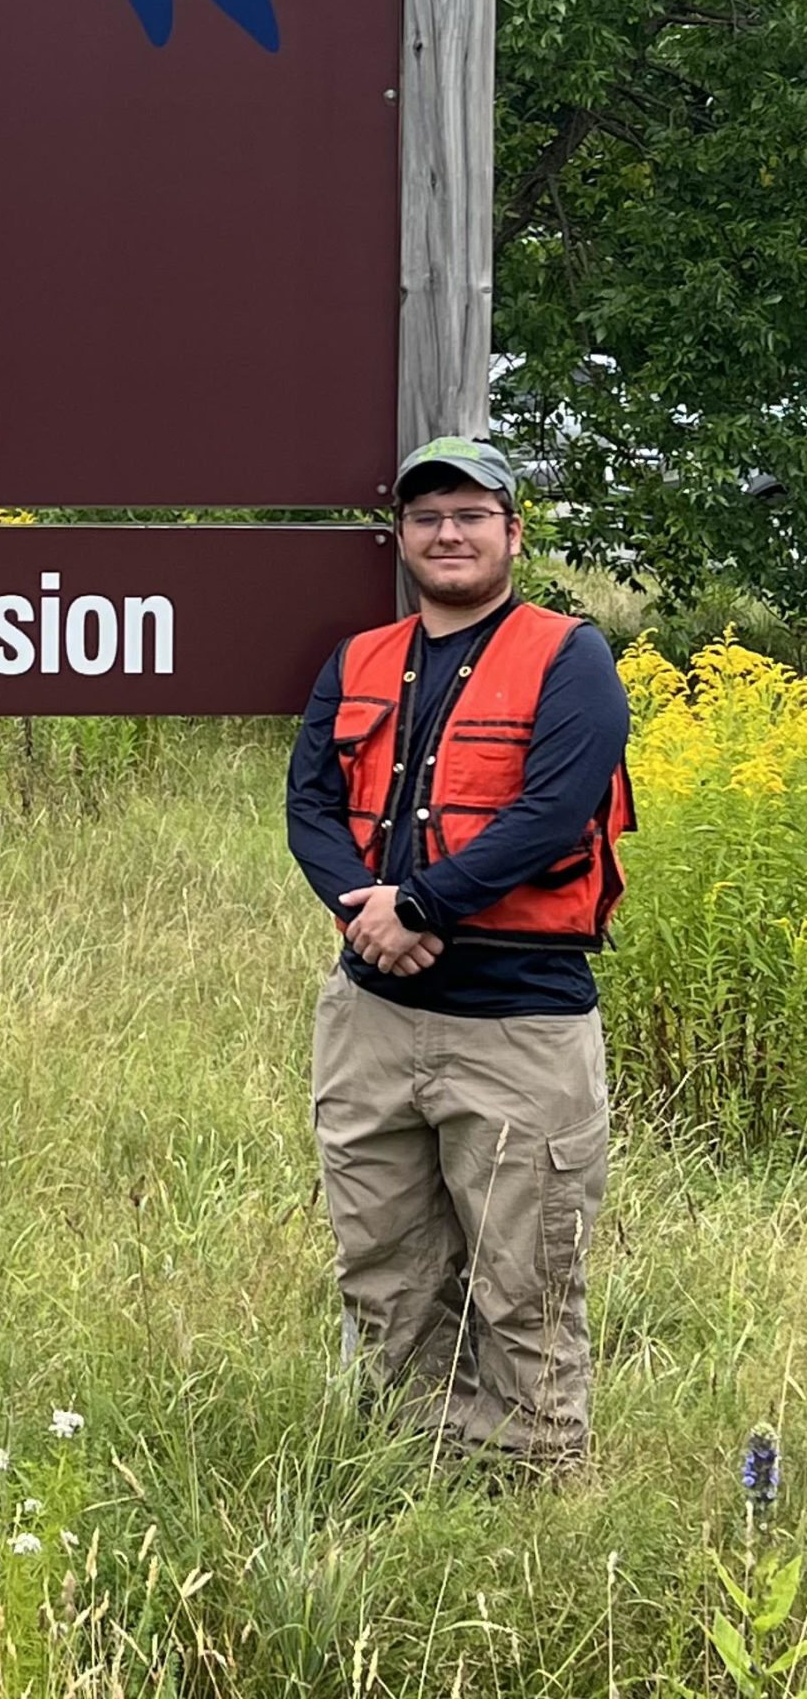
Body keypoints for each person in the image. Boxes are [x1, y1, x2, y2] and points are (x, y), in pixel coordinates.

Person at [287, 435, 632, 1470]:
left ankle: (528, 1504)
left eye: (471, 513)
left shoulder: (571, 658)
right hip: (372, 1022)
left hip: (518, 1023)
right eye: (427, 515)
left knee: (523, 1276)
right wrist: (367, 918)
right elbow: (308, 805)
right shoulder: (355, 661)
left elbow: (552, 811)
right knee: (385, 1267)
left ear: (512, 533)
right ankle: (409, 1477)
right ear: (400, 537)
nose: (448, 531)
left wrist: (422, 902)